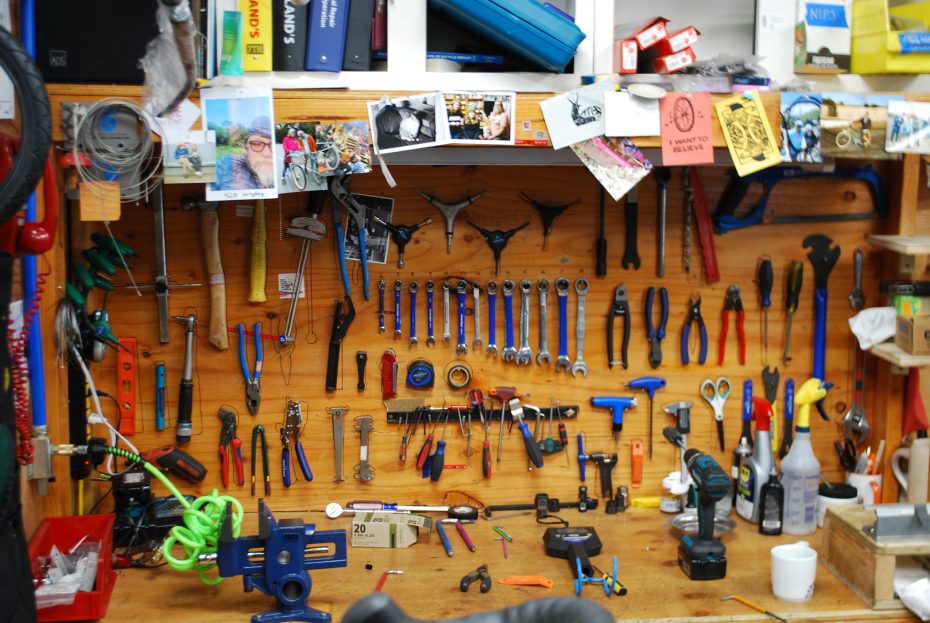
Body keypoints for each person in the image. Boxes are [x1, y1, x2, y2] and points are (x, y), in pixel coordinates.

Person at [212, 115, 276, 191]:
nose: (267, 153)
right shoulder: (227, 165)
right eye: (257, 143)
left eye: (272, 145)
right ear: (245, 148)